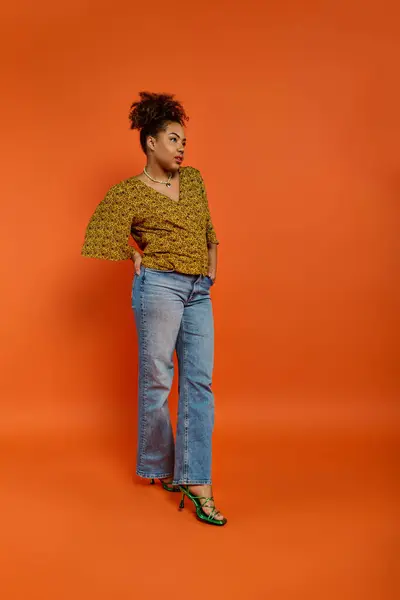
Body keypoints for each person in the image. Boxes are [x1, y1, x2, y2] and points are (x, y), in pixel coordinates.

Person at [81, 92, 227, 526]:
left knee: (200, 382)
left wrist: (211, 270)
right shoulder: (128, 193)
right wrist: (133, 256)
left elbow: (208, 229)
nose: (182, 147)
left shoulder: (195, 180)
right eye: (173, 139)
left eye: (184, 140)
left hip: (198, 289)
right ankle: (162, 468)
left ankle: (196, 479)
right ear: (150, 142)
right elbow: (101, 233)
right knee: (158, 379)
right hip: (159, 286)